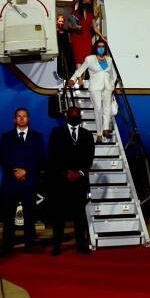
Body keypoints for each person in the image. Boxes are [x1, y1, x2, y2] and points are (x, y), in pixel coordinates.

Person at [47, 106, 95, 256]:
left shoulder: (87, 135)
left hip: (79, 182)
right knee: (58, 216)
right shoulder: (57, 133)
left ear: (80, 116)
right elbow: (53, 156)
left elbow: (89, 156)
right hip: (61, 181)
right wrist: (66, 172)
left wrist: (79, 172)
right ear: (67, 116)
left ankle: (81, 245)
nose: (75, 117)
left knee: (79, 216)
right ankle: (56, 246)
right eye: (72, 114)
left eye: (77, 114)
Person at [0, 107, 46, 255]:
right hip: (10, 182)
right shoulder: (6, 137)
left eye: (24, 116)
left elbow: (41, 159)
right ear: (14, 119)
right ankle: (7, 245)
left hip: (29, 181)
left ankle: (30, 244)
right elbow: (2, 158)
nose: (21, 118)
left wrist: (26, 171)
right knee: (8, 215)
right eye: (18, 116)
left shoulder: (37, 137)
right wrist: (15, 172)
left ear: (28, 119)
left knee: (30, 214)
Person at [67, 38, 117, 143]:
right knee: (98, 109)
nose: (101, 48)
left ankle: (105, 129)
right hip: (95, 87)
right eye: (99, 47)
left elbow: (113, 74)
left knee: (107, 108)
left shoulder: (109, 60)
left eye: (103, 46)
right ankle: (99, 133)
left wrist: (113, 86)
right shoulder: (90, 59)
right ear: (95, 48)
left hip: (107, 87)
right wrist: (72, 79)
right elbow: (80, 70)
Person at [68, 0, 107, 85]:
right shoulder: (75, 12)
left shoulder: (91, 14)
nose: (87, 3)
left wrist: (101, 36)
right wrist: (76, 27)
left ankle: (81, 77)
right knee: (78, 59)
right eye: (85, 1)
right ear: (82, 2)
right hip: (77, 37)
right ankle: (80, 79)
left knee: (86, 59)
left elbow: (95, 28)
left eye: (89, 1)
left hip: (87, 37)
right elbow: (69, 25)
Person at [55, 14, 75, 82]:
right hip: (58, 49)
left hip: (65, 49)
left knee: (68, 61)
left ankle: (68, 75)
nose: (61, 23)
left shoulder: (65, 31)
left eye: (63, 21)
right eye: (60, 21)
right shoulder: (55, 31)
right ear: (56, 21)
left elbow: (67, 41)